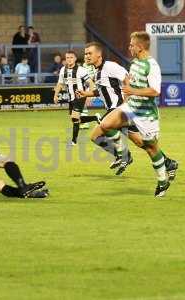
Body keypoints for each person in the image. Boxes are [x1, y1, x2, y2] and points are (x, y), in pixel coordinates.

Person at [89, 32, 178, 197]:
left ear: (140, 47)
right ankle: (124, 154)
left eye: (131, 45)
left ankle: (162, 180)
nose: (129, 47)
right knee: (105, 125)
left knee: (151, 148)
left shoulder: (152, 65)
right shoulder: (135, 63)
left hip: (146, 113)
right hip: (130, 107)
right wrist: (128, 94)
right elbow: (130, 83)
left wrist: (132, 90)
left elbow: (155, 91)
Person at [76, 42, 133, 172]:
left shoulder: (110, 66)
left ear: (99, 54)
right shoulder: (97, 73)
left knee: (103, 128)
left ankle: (123, 155)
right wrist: (86, 93)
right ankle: (124, 156)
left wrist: (127, 100)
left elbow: (127, 78)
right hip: (111, 109)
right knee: (95, 137)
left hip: (117, 108)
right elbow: (99, 91)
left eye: (89, 53)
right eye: (85, 54)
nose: (87, 56)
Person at [53, 50, 100, 145]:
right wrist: (55, 95)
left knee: (75, 118)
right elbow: (60, 83)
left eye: (71, 57)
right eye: (67, 58)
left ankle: (73, 141)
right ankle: (95, 117)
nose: (69, 60)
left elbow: (90, 83)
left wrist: (90, 95)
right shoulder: (63, 70)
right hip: (70, 98)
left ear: (74, 59)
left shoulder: (81, 70)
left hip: (80, 96)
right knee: (75, 119)